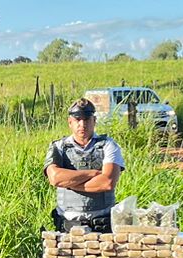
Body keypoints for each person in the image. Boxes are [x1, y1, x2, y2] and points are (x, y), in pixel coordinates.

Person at [45, 98, 125, 232]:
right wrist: (92, 174)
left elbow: (107, 183)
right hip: (68, 225)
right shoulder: (58, 147)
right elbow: (55, 178)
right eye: (77, 120)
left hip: (102, 225)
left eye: (87, 119)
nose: (82, 124)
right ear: (70, 122)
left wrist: (69, 182)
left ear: (94, 121)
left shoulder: (108, 145)